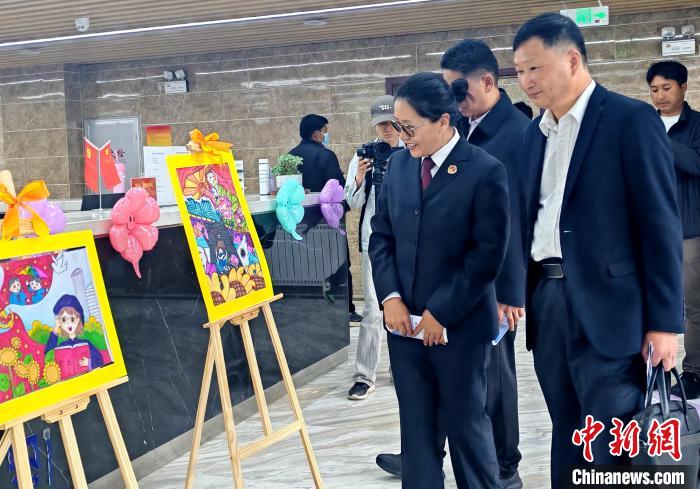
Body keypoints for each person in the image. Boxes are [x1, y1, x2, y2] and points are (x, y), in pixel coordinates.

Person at [513, 13, 683, 488]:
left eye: (534, 68)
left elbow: (660, 226)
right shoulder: (533, 135)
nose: (526, 81)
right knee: (568, 431)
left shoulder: (630, 120)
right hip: (548, 301)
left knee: (610, 439)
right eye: (520, 71)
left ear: (572, 60)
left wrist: (665, 324)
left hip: (612, 308)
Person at [375, 39, 528, 489]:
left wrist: (441, 312)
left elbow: (486, 254)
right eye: (398, 127)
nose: (403, 137)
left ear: (443, 120)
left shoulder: (484, 170)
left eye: (409, 127)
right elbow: (381, 237)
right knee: (417, 432)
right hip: (405, 328)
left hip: (459, 328)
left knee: (467, 429)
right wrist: (390, 297)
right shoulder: (399, 167)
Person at [646, 60, 700, 399]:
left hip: (688, 229)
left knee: (693, 306)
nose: (660, 95)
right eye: (654, 89)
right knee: (651, 304)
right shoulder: (642, 124)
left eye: (666, 88)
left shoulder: (696, 126)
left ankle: (694, 372)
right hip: (650, 230)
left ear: (683, 87)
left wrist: (659, 138)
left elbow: (695, 163)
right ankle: (656, 371)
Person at [345, 95, 404, 401]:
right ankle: (364, 376)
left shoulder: (413, 150)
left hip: (407, 242)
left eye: (392, 122)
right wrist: (359, 177)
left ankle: (401, 369)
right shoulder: (364, 155)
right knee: (372, 309)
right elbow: (352, 202)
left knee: (405, 306)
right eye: (381, 124)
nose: (387, 128)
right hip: (374, 241)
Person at [289, 114, 362, 323]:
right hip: (328, 221)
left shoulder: (290, 156)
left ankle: (315, 308)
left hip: (301, 223)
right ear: (316, 134)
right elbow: (338, 188)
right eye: (325, 131)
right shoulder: (326, 156)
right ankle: (345, 309)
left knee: (309, 266)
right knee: (339, 263)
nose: (326, 135)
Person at [45, 294, 105, 372]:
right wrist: (56, 327)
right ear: (59, 322)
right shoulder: (61, 346)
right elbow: (48, 355)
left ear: (78, 319)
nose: (68, 323)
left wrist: (89, 362)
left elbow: (100, 360)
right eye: (64, 320)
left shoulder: (86, 343)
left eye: (72, 319)